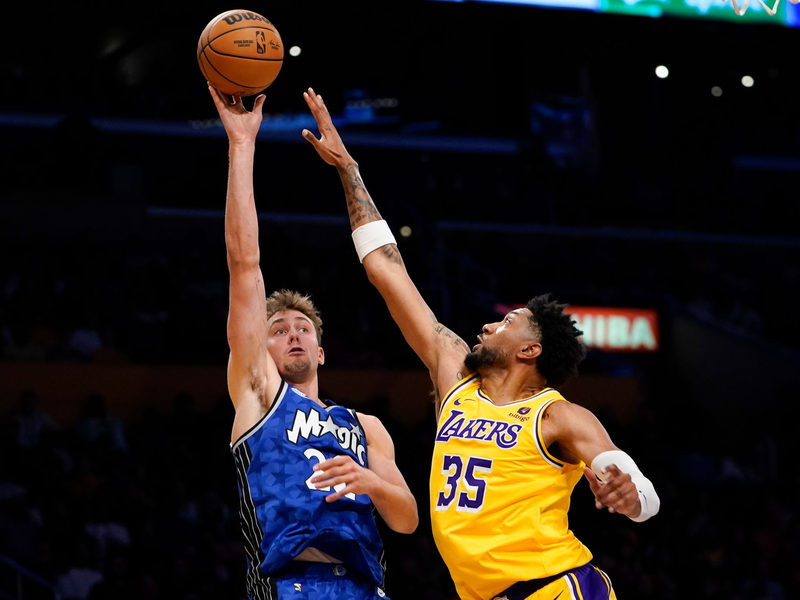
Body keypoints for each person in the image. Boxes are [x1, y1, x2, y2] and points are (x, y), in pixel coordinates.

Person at [301, 87, 660, 600]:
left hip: (556, 588)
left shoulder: (559, 417)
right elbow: (386, 269)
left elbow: (639, 493)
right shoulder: (454, 379)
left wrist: (630, 495)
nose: (488, 327)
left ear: (530, 350)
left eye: (508, 322)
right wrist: (348, 169)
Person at [208, 84, 418, 600]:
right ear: (264, 348)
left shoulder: (365, 426)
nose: (293, 333)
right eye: (278, 330)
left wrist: (370, 482)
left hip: (368, 588)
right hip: (292, 584)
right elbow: (244, 264)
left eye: (303, 328)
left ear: (321, 351)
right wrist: (242, 146)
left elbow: (408, 519)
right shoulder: (259, 396)